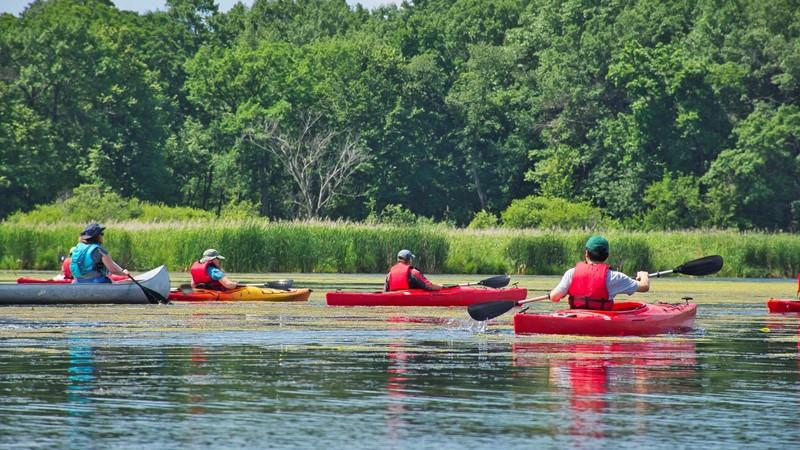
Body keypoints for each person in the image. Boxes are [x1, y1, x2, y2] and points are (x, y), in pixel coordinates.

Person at [548, 235, 649, 310]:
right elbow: (644, 286)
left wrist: (563, 293)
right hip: (601, 319)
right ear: (606, 255)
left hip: (576, 316)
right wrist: (643, 275)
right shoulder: (615, 277)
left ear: (586, 253)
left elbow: (554, 297)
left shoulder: (571, 273)